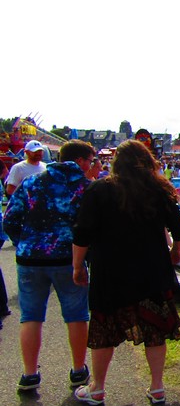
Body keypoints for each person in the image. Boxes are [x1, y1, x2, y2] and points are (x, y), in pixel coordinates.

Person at [71, 140, 180, 406]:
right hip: (151, 269)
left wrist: (77, 266)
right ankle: (157, 387)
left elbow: (82, 233)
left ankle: (97, 388)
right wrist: (176, 250)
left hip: (111, 270)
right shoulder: (158, 189)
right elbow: (178, 225)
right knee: (154, 329)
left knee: (103, 328)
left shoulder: (99, 189)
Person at [3, 140, 96, 392]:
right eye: (90, 161)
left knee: (30, 316)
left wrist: (24, 241)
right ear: (79, 161)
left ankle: (29, 373)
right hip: (69, 259)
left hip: (30, 257)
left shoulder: (31, 183)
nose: (91, 166)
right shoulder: (85, 188)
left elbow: (9, 219)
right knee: (76, 315)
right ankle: (78, 370)